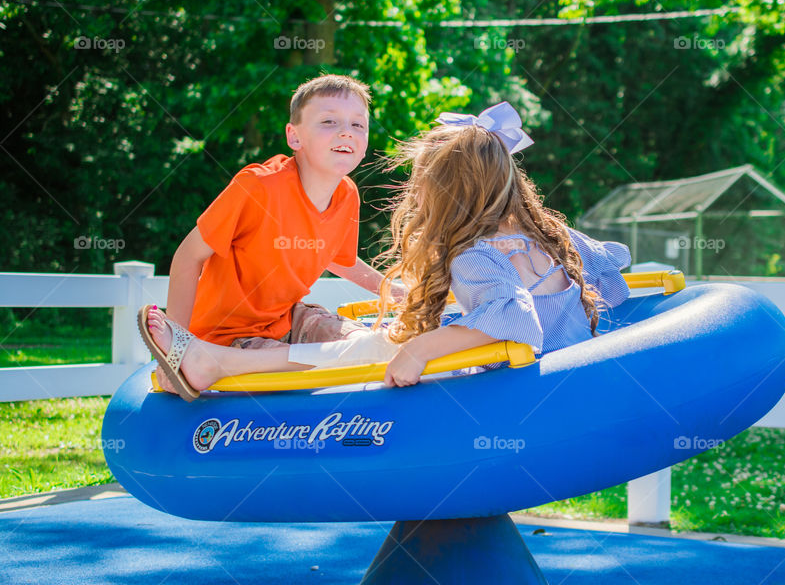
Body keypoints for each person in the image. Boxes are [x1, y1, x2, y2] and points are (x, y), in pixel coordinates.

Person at [141, 102, 631, 400]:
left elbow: (515, 316)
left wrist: (420, 349)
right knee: (379, 338)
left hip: (512, 392)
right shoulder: (554, 238)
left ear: (444, 194)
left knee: (377, 347)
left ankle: (213, 363)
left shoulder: (476, 256)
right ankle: (213, 356)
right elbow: (614, 268)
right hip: (556, 380)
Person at [155, 75, 397, 399]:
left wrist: (393, 290)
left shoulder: (347, 195)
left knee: (380, 345)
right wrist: (177, 346)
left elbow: (340, 260)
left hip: (289, 320)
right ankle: (206, 360)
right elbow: (188, 256)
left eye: (358, 124)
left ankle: (224, 363)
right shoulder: (259, 187)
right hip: (228, 333)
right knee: (344, 360)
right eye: (329, 121)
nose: (346, 132)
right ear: (294, 137)